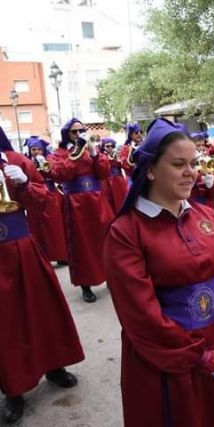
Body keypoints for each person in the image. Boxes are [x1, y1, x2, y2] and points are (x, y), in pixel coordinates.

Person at [104, 118, 214, 427]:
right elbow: (141, 315)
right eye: (179, 164)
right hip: (165, 358)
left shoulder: (206, 216)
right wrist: (203, 358)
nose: (191, 172)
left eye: (194, 163)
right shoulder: (126, 232)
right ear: (150, 169)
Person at [0, 127, 84, 424]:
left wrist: (25, 185)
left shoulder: (15, 160)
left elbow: (44, 202)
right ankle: (13, 389)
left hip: (21, 247)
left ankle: (54, 366)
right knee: (4, 325)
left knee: (43, 311)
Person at [47, 118, 112, 303]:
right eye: (74, 132)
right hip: (76, 203)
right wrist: (76, 152)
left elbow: (103, 173)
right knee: (81, 244)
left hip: (97, 200)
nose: (78, 135)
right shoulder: (59, 153)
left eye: (80, 131)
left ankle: (109, 276)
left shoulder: (91, 148)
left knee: (104, 240)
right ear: (67, 134)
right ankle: (85, 285)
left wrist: (95, 155)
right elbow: (61, 174)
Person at [23, 135, 68, 264]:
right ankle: (41, 258)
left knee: (54, 227)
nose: (36, 152)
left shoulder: (49, 159)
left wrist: (45, 167)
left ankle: (60, 255)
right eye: (33, 149)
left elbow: (57, 176)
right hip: (34, 197)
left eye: (39, 149)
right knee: (36, 228)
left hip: (50, 195)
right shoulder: (26, 161)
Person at [101, 137, 128, 214]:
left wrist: (118, 161)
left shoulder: (117, 155)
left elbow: (124, 167)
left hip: (118, 182)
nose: (110, 148)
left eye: (112, 146)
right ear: (103, 147)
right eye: (107, 146)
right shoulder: (102, 157)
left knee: (121, 201)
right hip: (107, 183)